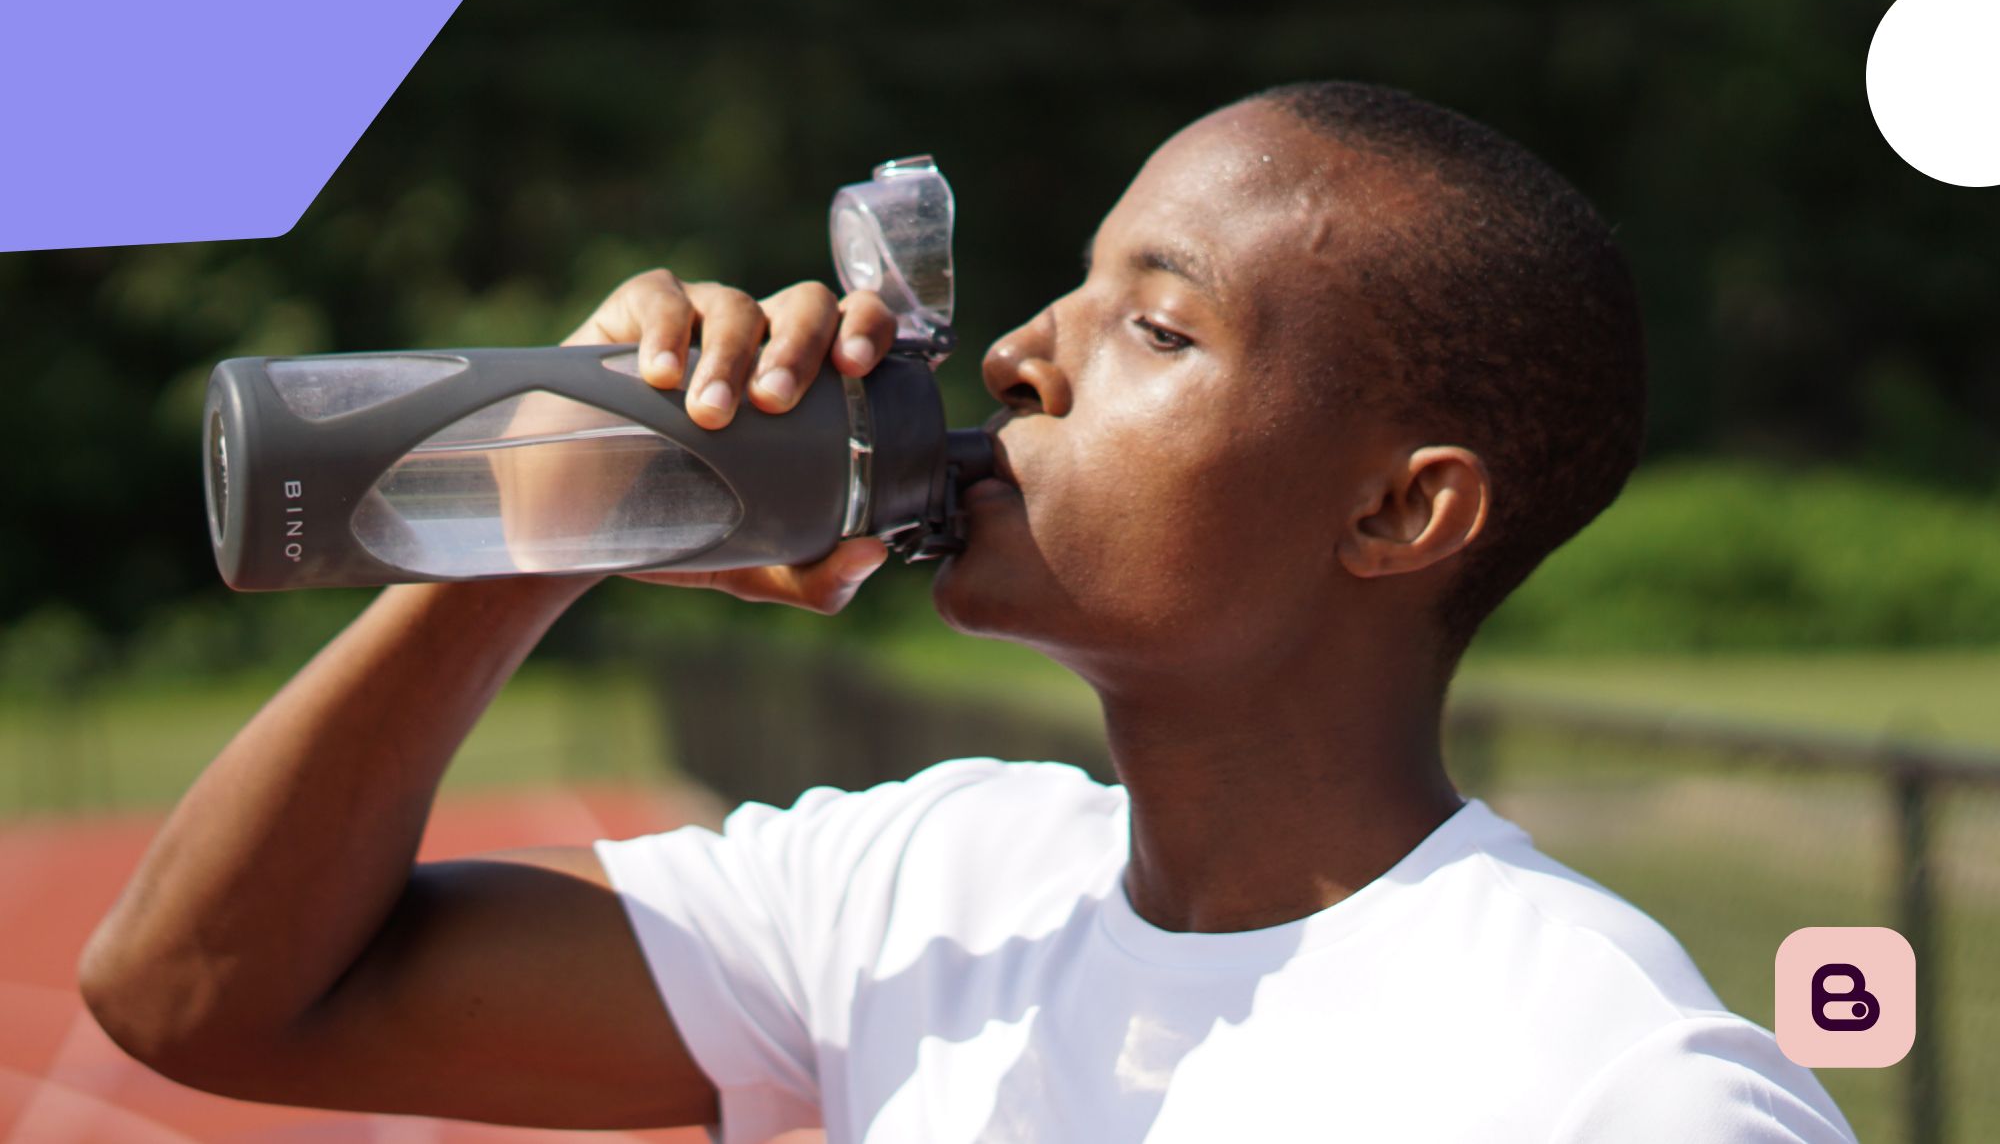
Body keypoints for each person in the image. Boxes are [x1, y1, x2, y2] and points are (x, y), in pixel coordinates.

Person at [78, 82, 1857, 1142]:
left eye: (1155, 325)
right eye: (1071, 289)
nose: (1016, 354)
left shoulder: (1606, 1085)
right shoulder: (930, 886)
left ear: (1401, 508)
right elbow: (202, 991)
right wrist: (561, 502)